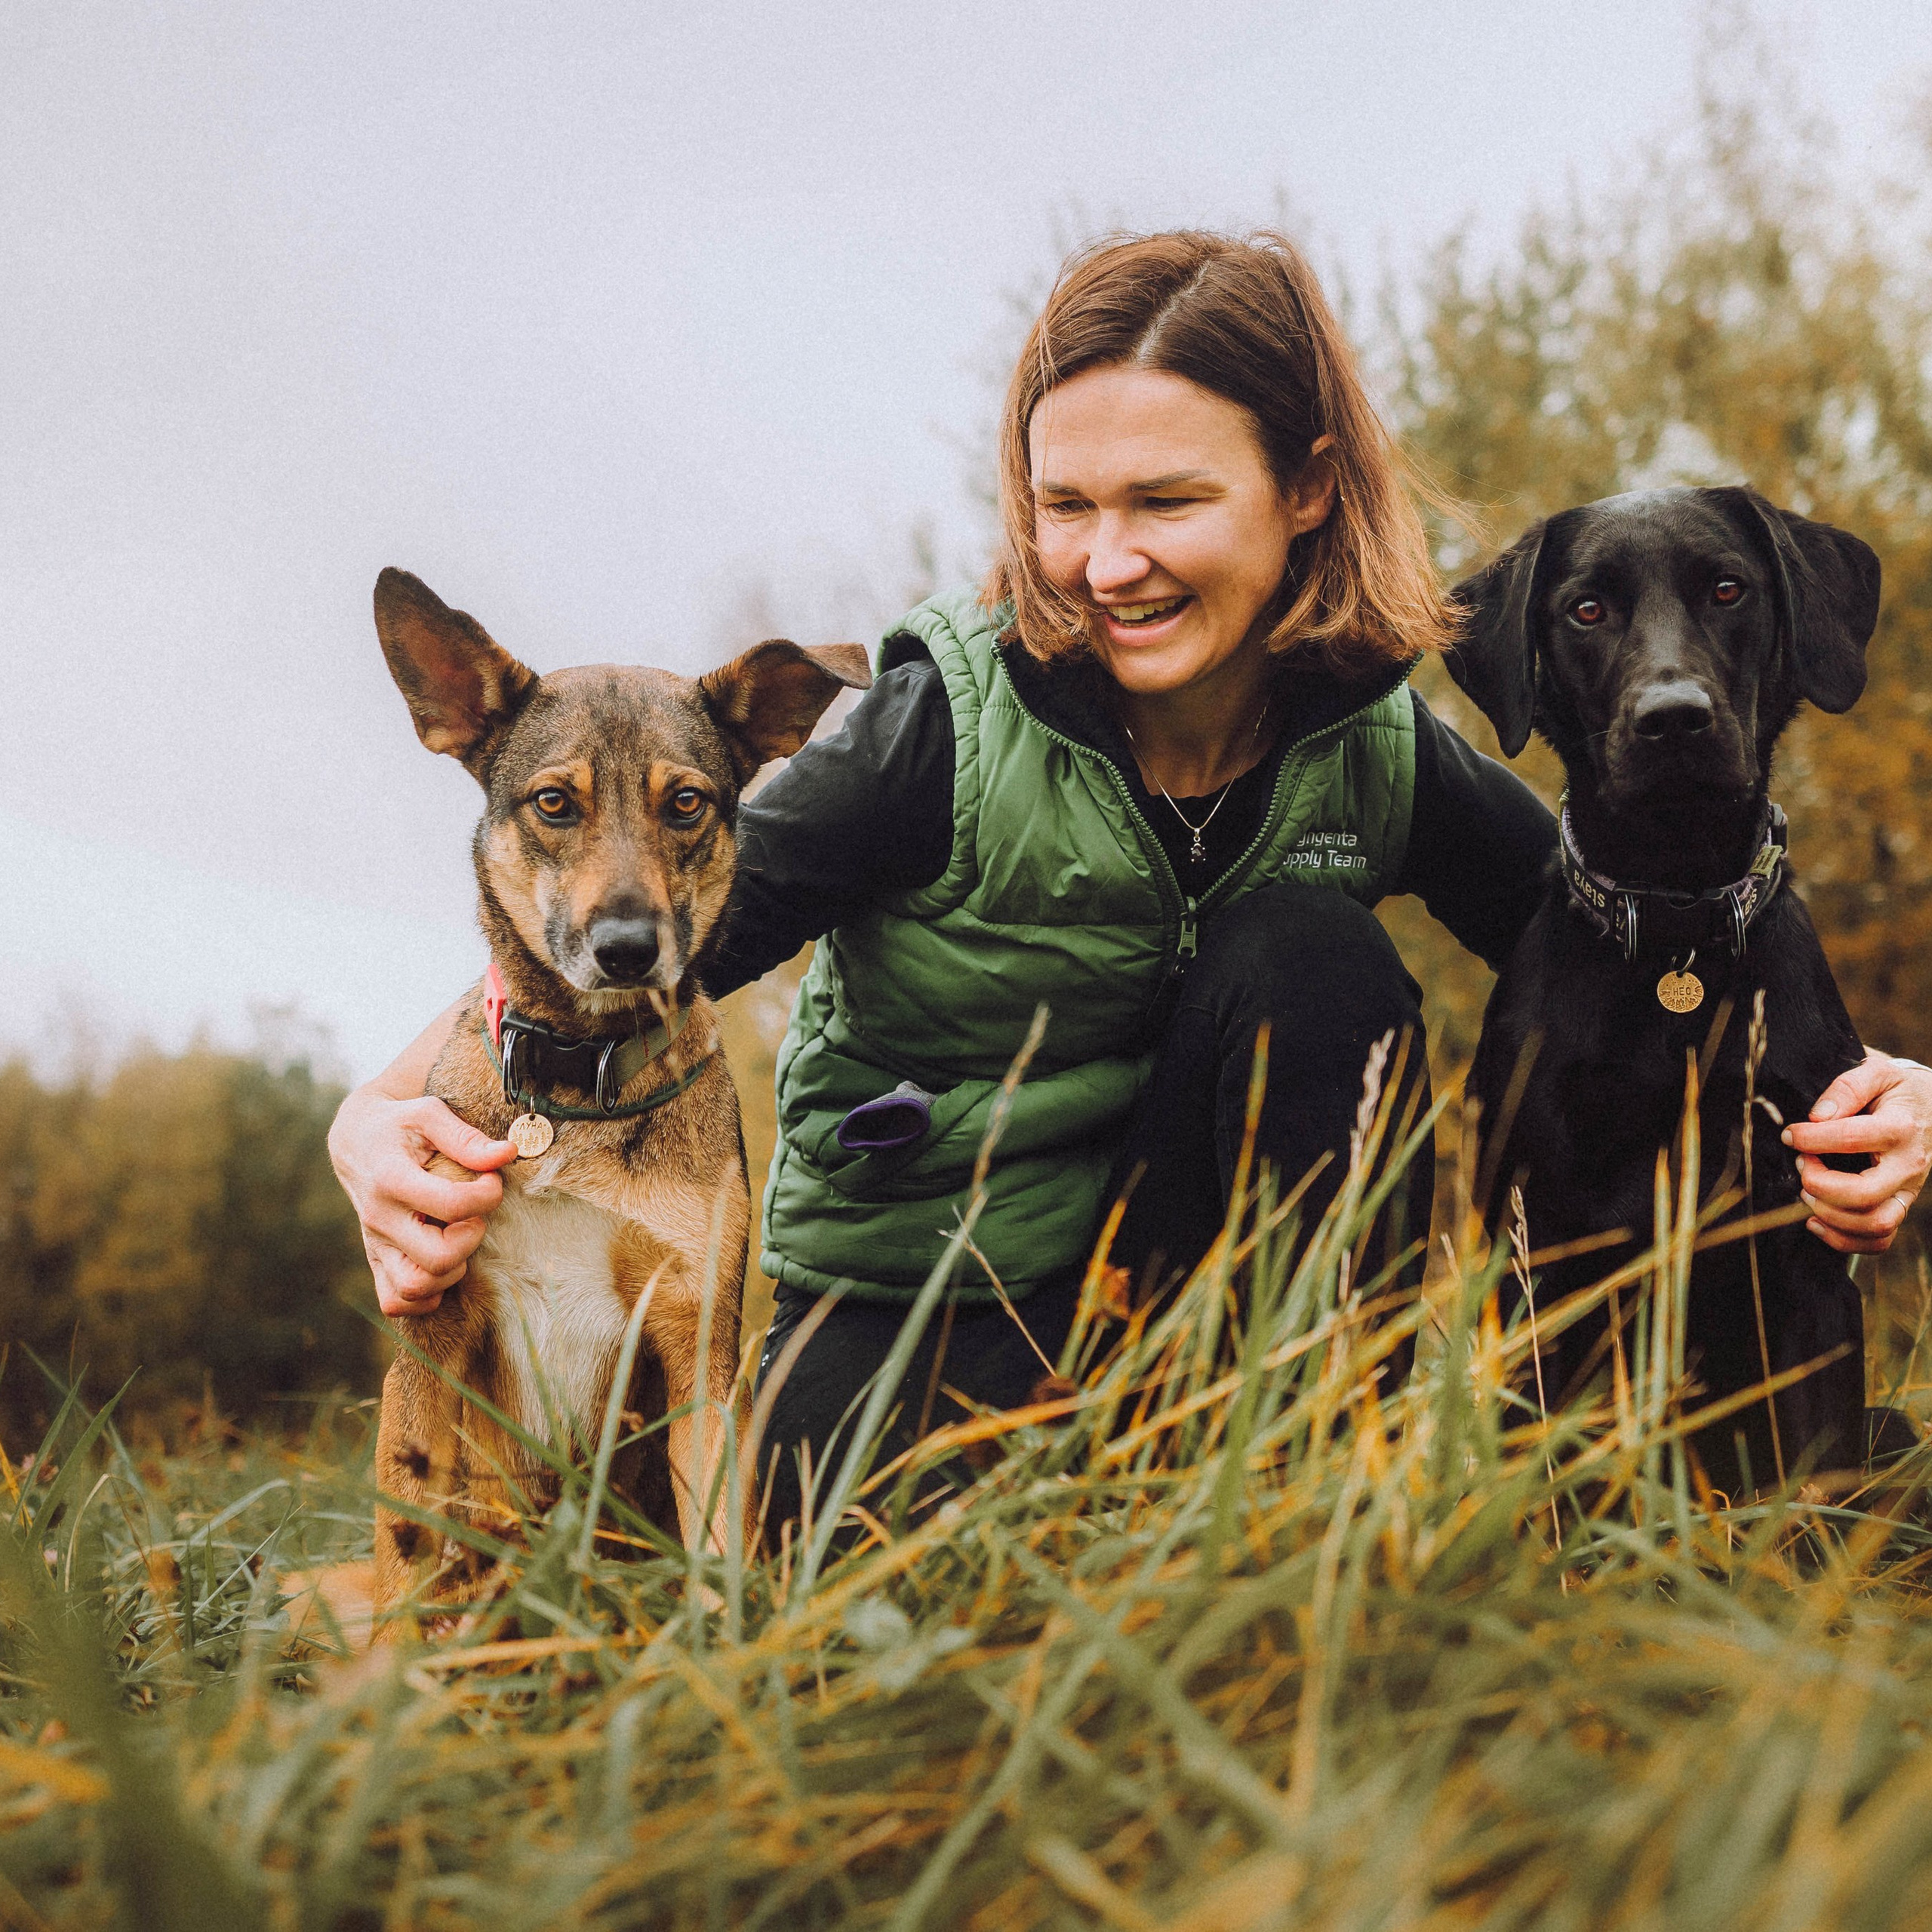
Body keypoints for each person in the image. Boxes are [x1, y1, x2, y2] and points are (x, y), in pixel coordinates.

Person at [330, 231, 1932, 1532]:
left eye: (1166, 501)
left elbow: (1635, 942)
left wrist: (1881, 1093)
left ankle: (1304, 1498)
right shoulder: (934, 731)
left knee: (1311, 956)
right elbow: (632, 957)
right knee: (928, 1591)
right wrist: (377, 1114)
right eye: (1066, 506)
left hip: (1182, 1326)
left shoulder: (1371, 746)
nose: (1108, 562)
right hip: (919, 1313)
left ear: (1306, 487)